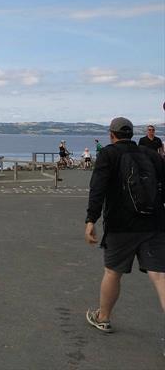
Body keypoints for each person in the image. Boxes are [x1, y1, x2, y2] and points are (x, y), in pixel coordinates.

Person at [84, 117, 165, 334]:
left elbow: (98, 189)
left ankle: (103, 317)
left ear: (112, 134)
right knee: (160, 276)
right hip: (154, 223)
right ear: (133, 134)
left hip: (121, 226)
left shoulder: (108, 154)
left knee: (112, 273)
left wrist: (91, 220)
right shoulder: (151, 155)